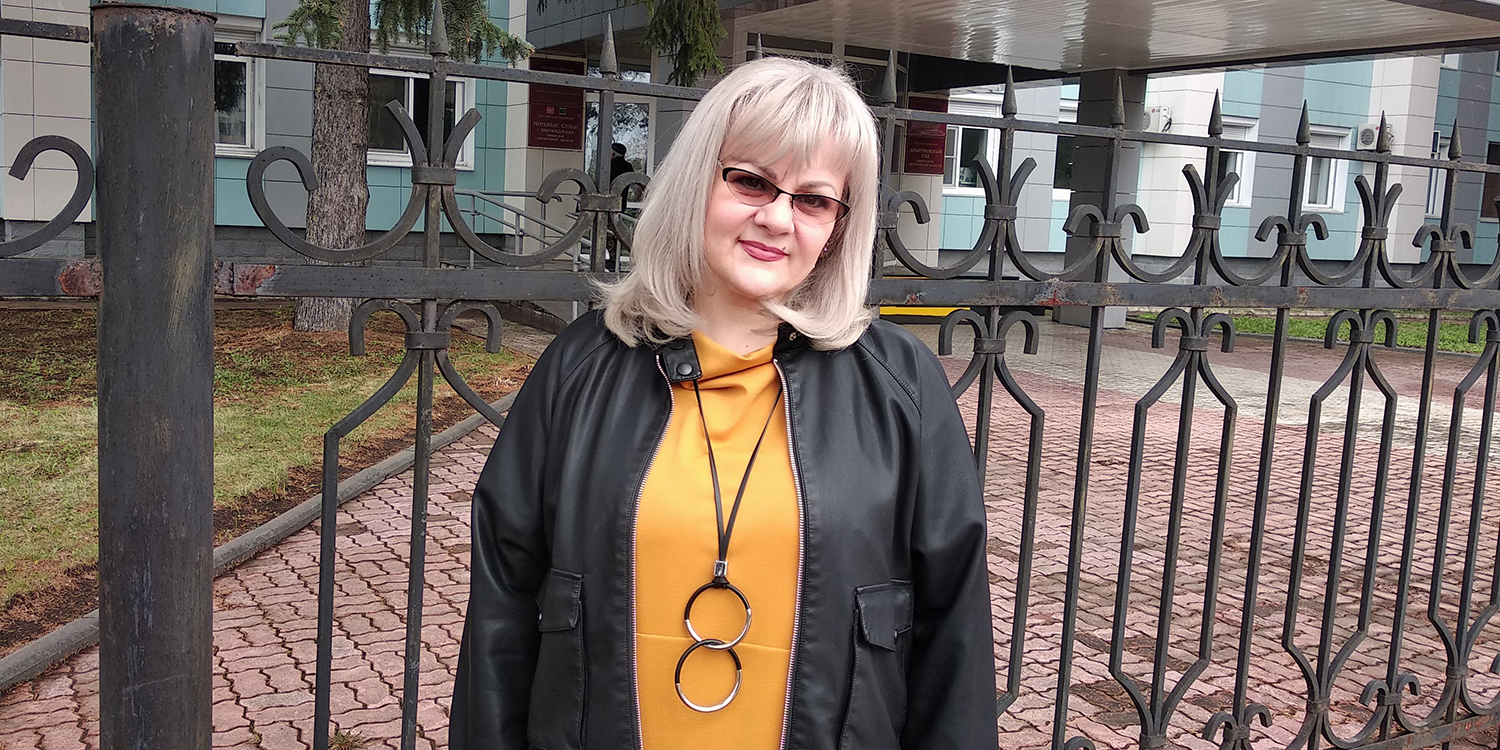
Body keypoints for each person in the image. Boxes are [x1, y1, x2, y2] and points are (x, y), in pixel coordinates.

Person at [450, 56, 997, 750]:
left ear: (839, 224)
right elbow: (502, 611)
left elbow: (954, 641)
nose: (777, 218)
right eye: (751, 181)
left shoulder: (902, 385)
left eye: (813, 199)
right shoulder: (580, 367)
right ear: (697, 181)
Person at [604, 142, 635, 272]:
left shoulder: (608, 167)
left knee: (607, 233)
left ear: (612, 153)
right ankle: (614, 260)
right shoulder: (628, 167)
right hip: (619, 206)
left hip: (606, 206)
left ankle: (610, 261)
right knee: (615, 233)